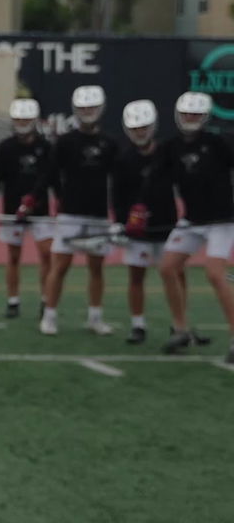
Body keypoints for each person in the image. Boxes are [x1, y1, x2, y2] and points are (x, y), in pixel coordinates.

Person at [127, 92, 232, 360]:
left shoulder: (218, 143)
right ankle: (181, 329)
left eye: (195, 115)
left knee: (215, 274)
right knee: (167, 267)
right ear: (177, 115)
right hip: (192, 221)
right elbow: (153, 178)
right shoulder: (171, 147)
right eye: (186, 114)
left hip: (221, 220)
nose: (190, 119)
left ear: (205, 117)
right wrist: (139, 210)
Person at [29, 85, 117, 336]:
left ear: (100, 108)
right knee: (60, 266)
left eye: (92, 107)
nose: (88, 112)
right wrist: (33, 198)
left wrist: (122, 213)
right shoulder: (66, 142)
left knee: (96, 268)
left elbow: (120, 179)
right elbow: (49, 173)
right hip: (70, 214)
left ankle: (95, 318)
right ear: (76, 110)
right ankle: (49, 316)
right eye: (83, 108)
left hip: (98, 215)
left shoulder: (110, 143)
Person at [0, 98, 54, 319]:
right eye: (19, 119)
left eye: (26, 119)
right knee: (13, 256)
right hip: (12, 210)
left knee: (46, 254)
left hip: (40, 209)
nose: (22, 123)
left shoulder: (46, 147)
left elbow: (50, 177)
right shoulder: (6, 147)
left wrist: (48, 200)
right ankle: (13, 301)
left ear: (34, 120)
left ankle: (46, 299)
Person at [112, 100, 179, 344]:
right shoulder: (124, 159)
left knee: (175, 276)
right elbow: (117, 195)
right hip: (137, 231)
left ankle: (179, 325)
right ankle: (138, 325)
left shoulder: (167, 154)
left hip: (166, 226)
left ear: (153, 127)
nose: (140, 132)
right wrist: (122, 222)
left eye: (144, 127)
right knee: (136, 277)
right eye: (135, 128)